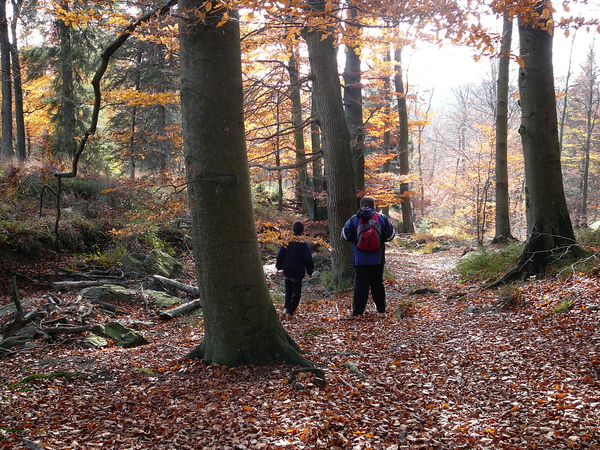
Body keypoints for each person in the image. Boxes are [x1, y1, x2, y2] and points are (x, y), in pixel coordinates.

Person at [342, 196, 396, 316]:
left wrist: (355, 240)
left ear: (361, 206)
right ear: (374, 206)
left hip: (359, 258)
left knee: (361, 285)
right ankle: (381, 309)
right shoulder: (382, 218)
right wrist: (381, 240)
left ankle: (357, 312)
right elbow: (391, 235)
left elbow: (345, 236)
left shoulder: (354, 219)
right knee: (377, 283)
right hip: (377, 258)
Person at [276, 221, 315, 316]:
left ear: (292, 230)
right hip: (297, 270)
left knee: (288, 290)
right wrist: (310, 271)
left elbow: (280, 255)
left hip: (287, 269)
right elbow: (308, 258)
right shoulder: (304, 243)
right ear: (303, 231)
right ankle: (290, 311)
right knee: (296, 292)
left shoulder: (287, 240)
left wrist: (279, 266)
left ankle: (286, 309)